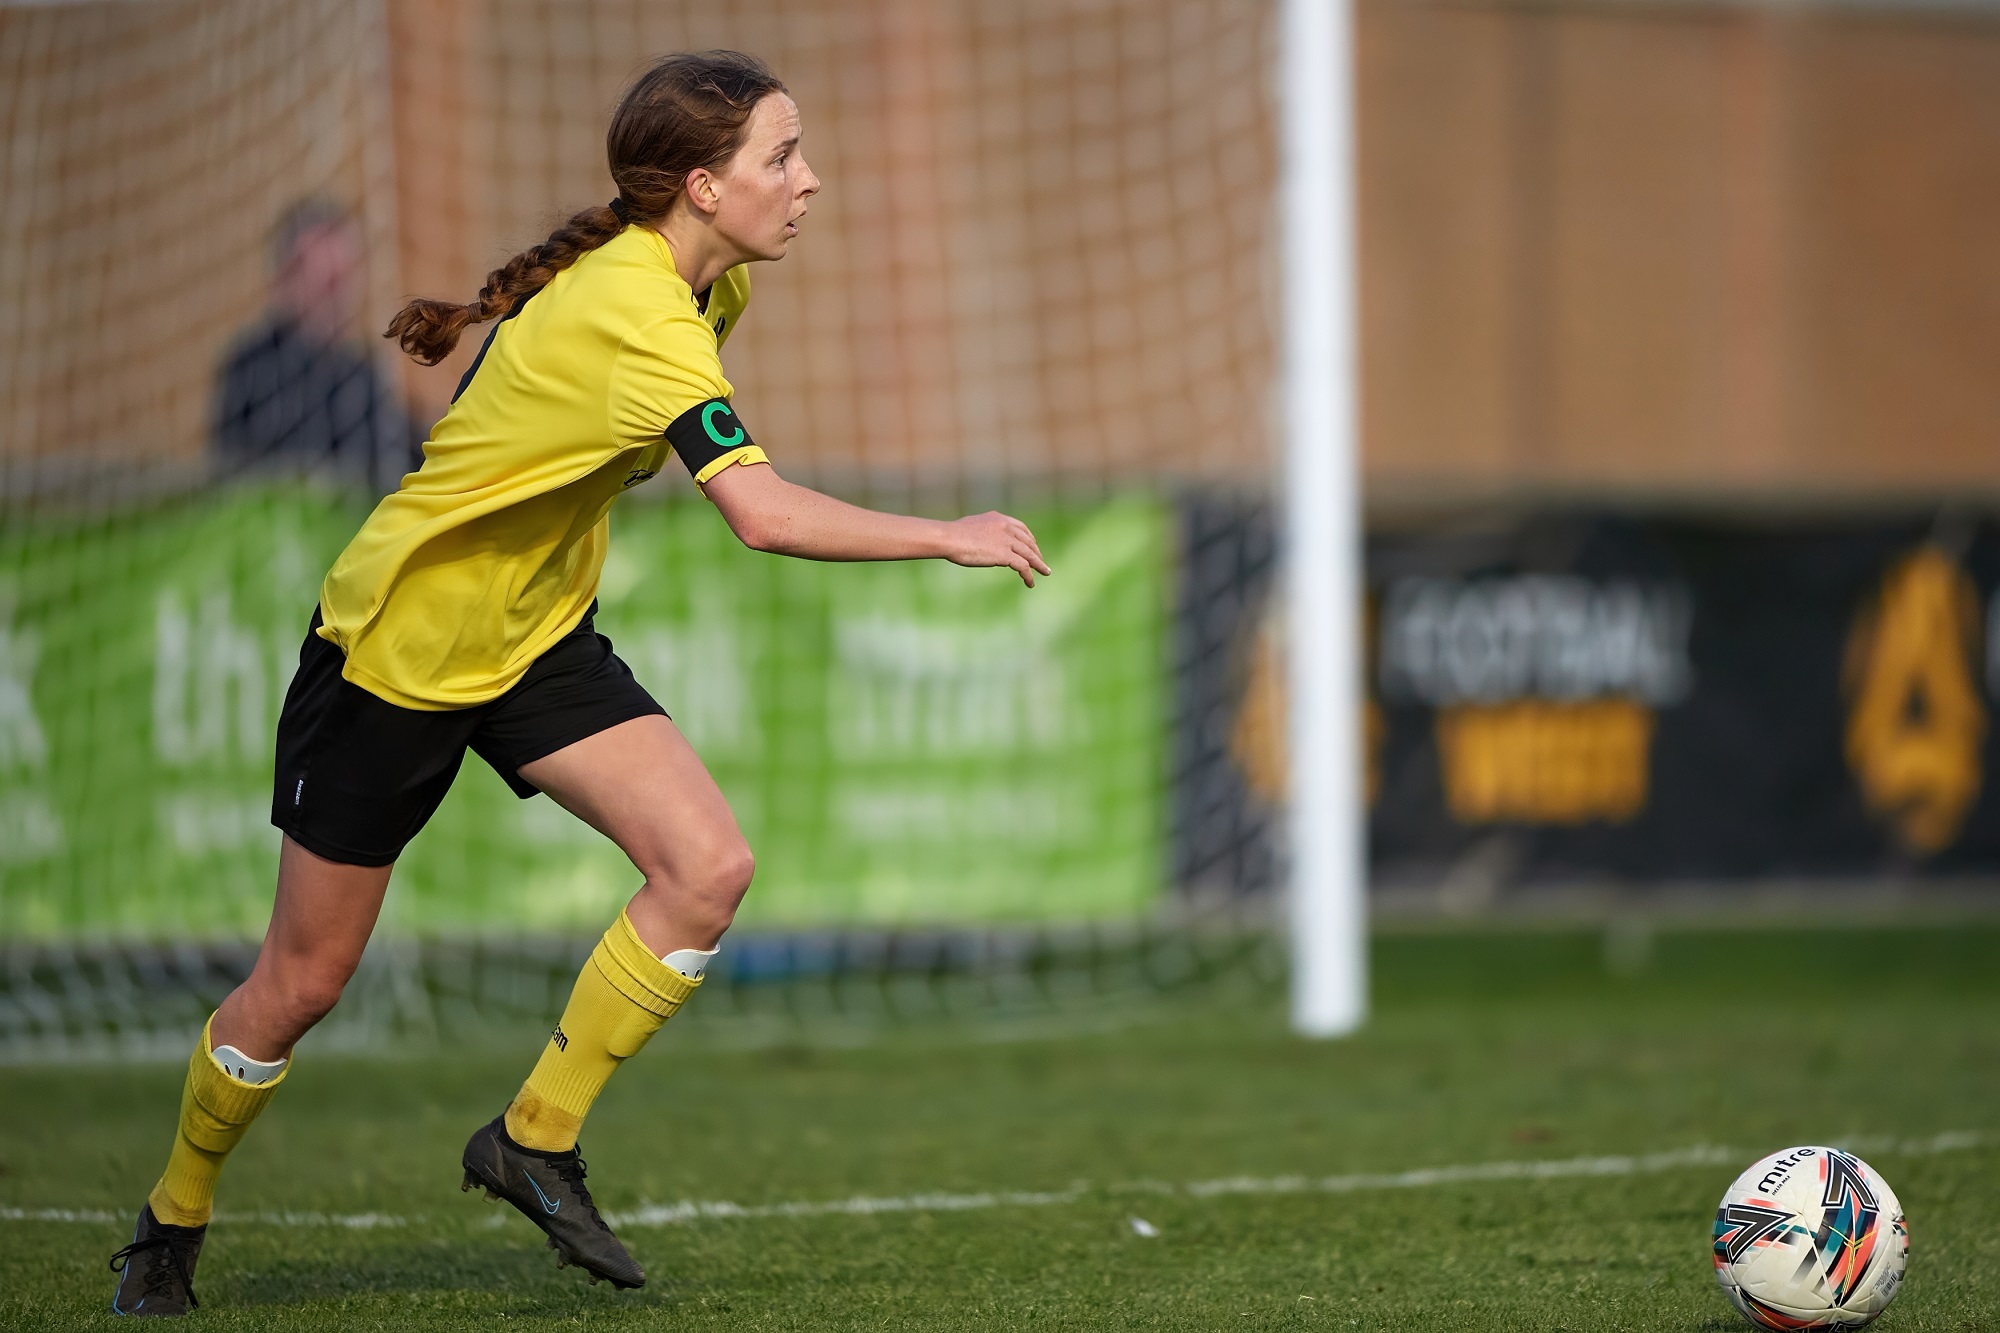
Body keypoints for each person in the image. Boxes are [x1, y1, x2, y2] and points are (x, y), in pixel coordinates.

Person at [109, 50, 1051, 1316]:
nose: (809, 180)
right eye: (782, 156)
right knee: (301, 983)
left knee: (707, 867)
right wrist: (946, 532)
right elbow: (759, 516)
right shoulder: (645, 314)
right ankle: (168, 1225)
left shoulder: (702, 297)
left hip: (536, 637)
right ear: (703, 187)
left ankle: (532, 1139)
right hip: (398, 649)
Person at [212, 198, 422, 493]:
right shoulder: (254, 369)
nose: (339, 299)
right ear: (286, 281)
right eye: (327, 284)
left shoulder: (359, 374)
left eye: (344, 281)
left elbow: (405, 445)